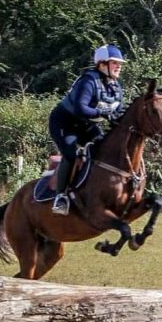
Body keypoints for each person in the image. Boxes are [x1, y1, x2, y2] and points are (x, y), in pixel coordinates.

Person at [48, 44, 127, 216]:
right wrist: (104, 113)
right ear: (102, 64)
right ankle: (60, 197)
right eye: (114, 63)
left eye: (119, 63)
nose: (119, 66)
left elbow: (119, 111)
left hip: (87, 125)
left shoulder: (116, 86)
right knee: (70, 154)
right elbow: (81, 109)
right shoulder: (89, 81)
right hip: (65, 123)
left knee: (102, 150)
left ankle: (91, 191)